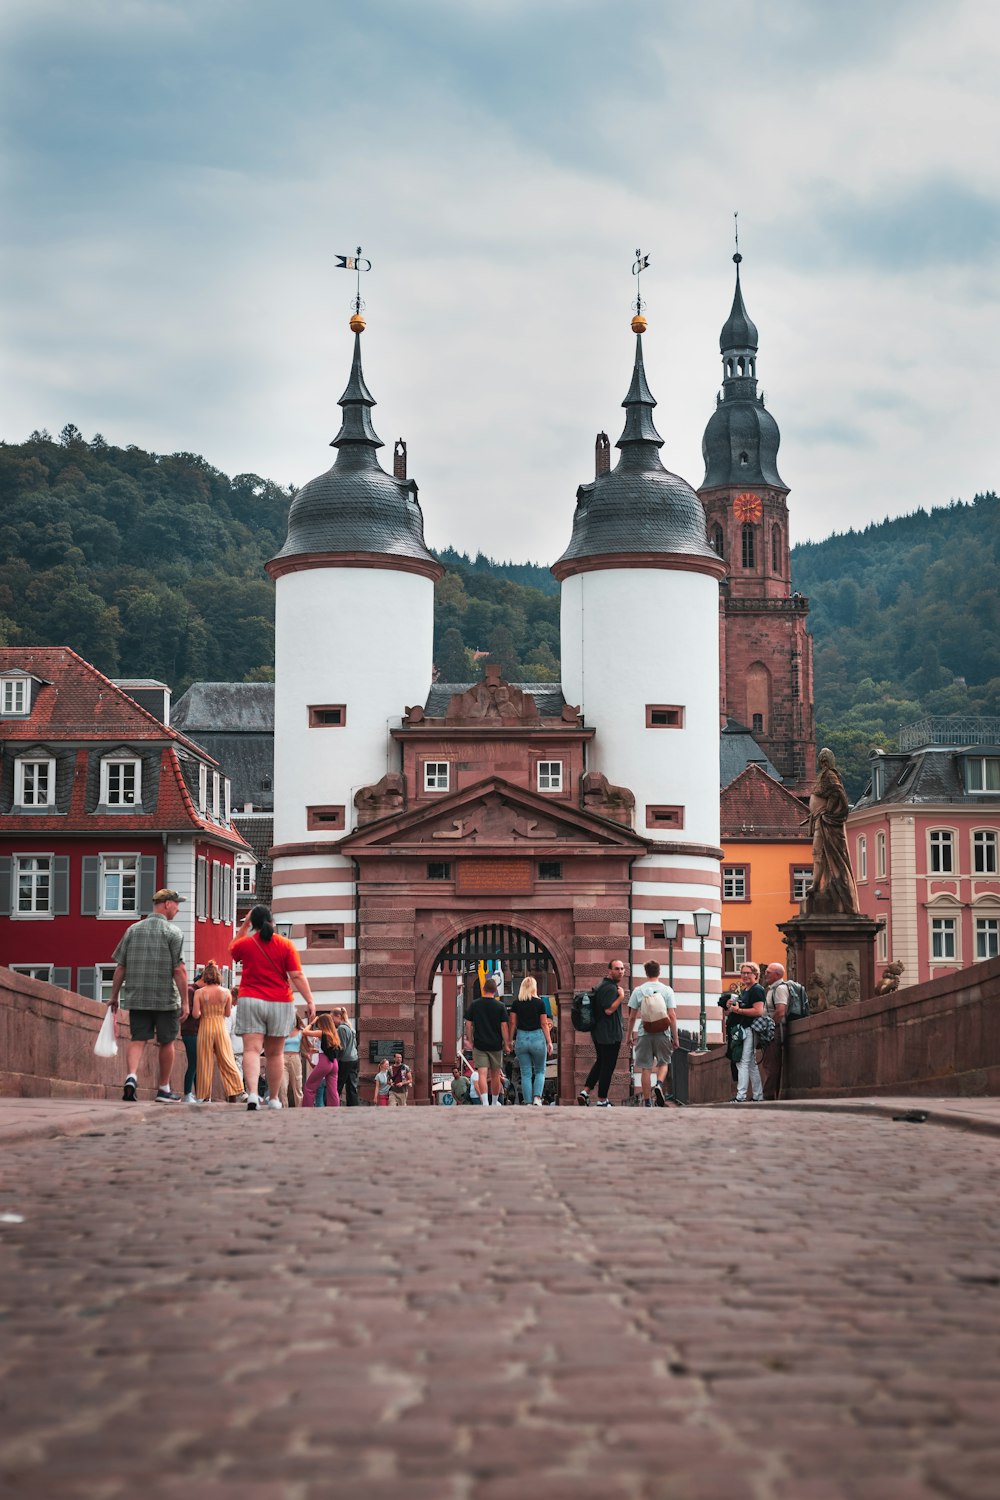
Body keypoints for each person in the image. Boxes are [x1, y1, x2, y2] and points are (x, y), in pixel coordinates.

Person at [230, 905, 317, 1112]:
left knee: (251, 1050)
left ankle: (252, 1094)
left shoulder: (247, 944)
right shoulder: (285, 945)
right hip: (280, 1001)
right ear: (272, 923)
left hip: (251, 1000)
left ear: (255, 924)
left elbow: (232, 949)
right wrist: (310, 1000)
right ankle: (274, 1098)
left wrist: (245, 925)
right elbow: (296, 975)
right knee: (275, 1053)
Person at [108, 888, 190, 1104]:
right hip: (165, 999)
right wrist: (186, 1001)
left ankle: (131, 1077)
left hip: (137, 997)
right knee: (167, 1041)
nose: (178, 908)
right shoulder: (173, 933)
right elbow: (179, 970)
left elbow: (120, 967)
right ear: (166, 904)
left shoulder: (132, 930)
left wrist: (114, 996)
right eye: (176, 903)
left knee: (138, 1039)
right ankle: (163, 1089)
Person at [805, 747, 860, 915]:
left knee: (821, 853)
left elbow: (837, 793)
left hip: (825, 821)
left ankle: (819, 884)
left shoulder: (829, 775)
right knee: (818, 853)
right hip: (819, 820)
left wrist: (828, 812)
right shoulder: (825, 775)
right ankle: (818, 884)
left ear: (823, 761)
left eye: (821, 760)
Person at [625, 959, 679, 1107]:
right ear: (659, 972)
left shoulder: (638, 990)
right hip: (663, 1033)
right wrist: (675, 1038)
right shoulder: (667, 990)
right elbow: (672, 1015)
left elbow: (631, 1017)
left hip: (644, 1033)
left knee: (645, 1068)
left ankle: (648, 1102)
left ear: (646, 973)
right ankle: (659, 1085)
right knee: (664, 1063)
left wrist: (629, 1035)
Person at [192, 960, 246, 1103]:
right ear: (218, 977)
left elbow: (195, 1014)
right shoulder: (226, 992)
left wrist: (205, 1011)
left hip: (205, 1027)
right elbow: (228, 1013)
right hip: (221, 1028)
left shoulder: (199, 992)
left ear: (205, 977)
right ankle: (237, 1090)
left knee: (204, 1062)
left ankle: (204, 1096)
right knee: (227, 1060)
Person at [577, 958, 626, 1107]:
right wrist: (622, 997)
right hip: (609, 1035)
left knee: (600, 1063)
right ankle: (602, 1099)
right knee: (607, 1067)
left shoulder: (601, 985)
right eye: (617, 968)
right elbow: (609, 1010)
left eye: (622, 969)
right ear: (609, 971)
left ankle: (585, 1092)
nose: (620, 971)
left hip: (600, 1033)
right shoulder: (610, 988)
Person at [464, 976, 511, 1107]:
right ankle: (495, 1102)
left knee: (482, 1074)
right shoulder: (500, 1006)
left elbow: (468, 1024)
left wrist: (470, 1040)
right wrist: (507, 1043)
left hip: (480, 1044)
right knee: (496, 1075)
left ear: (484, 989)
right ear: (495, 990)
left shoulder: (475, 1004)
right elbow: (504, 1026)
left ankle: (485, 1102)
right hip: (496, 1045)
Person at [508, 975, 552, 1105]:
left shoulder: (516, 1003)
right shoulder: (540, 1003)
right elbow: (544, 1024)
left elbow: (512, 1023)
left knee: (525, 1073)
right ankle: (537, 1098)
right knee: (539, 1071)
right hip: (537, 1038)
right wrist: (549, 1041)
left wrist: (510, 1040)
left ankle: (527, 1101)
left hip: (521, 1038)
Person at [727, 961, 766, 1103]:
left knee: (743, 1062)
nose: (745, 976)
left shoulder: (757, 989)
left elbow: (758, 1011)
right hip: (745, 1029)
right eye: (743, 973)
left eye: (748, 973)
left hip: (750, 1029)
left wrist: (739, 1010)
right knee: (750, 1064)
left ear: (755, 974)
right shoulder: (746, 990)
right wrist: (732, 1006)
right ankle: (757, 1095)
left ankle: (741, 1096)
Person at [761, 961, 790, 1100]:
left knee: (771, 1063)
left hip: (775, 1030)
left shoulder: (780, 989)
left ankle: (768, 1095)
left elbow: (780, 1012)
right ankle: (770, 1093)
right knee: (769, 1062)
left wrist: (769, 1026)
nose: (765, 974)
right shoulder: (772, 989)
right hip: (773, 1029)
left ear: (777, 974)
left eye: (768, 972)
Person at [302, 1013, 341, 1108]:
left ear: (322, 1023)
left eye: (319, 1023)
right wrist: (316, 1051)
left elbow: (305, 1032)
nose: (318, 1025)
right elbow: (327, 1048)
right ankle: (335, 1110)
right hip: (334, 1063)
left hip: (324, 1063)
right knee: (333, 1090)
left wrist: (312, 1022)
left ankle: (306, 1109)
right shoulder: (334, 1033)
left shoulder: (321, 1032)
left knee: (309, 1087)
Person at [181, 969, 203, 1103]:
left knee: (197, 1064)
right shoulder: (191, 991)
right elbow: (188, 1011)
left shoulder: (195, 991)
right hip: (190, 1031)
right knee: (193, 1063)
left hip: (195, 1031)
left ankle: (197, 1094)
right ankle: (188, 1093)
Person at [333, 1006, 360, 1106]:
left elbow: (342, 1047)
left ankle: (333, 1105)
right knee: (351, 1085)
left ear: (338, 1016)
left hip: (345, 1060)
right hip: (354, 1059)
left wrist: (336, 1059)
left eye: (333, 1018)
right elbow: (355, 1044)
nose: (333, 1021)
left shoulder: (341, 1028)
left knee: (338, 1085)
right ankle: (353, 1107)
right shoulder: (350, 1027)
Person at [279, 1015, 307, 1108]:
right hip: (283, 1058)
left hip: (295, 1058)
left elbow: (305, 1047)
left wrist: (310, 1056)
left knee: (297, 1087)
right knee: (282, 1087)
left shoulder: (301, 1032)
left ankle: (299, 1109)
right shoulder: (282, 1031)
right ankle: (283, 1109)